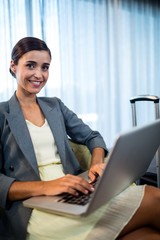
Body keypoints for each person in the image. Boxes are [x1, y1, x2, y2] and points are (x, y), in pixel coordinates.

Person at [0, 37, 160, 240]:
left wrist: (95, 165)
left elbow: (93, 137)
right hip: (33, 208)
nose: (39, 74)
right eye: (30, 65)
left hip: (74, 194)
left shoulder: (55, 106)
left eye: (45, 67)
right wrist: (48, 186)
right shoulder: (2, 114)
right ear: (13, 66)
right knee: (155, 199)